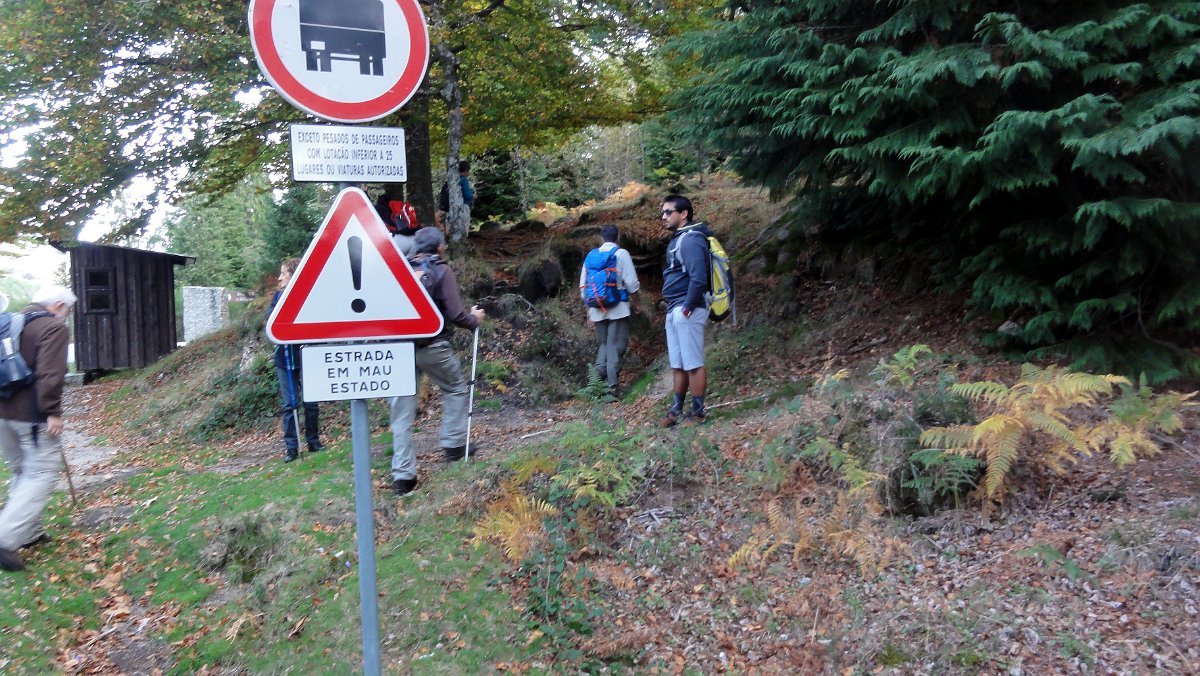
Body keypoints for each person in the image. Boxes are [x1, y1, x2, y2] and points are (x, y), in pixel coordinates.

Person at [389, 227, 486, 496]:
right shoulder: (441, 270)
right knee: (455, 387)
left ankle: (403, 476)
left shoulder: (400, 270)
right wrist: (474, 319)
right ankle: (454, 445)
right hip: (433, 346)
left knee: (402, 413)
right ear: (439, 247)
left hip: (399, 350)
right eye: (444, 244)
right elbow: (455, 313)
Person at [0, 285, 76, 572]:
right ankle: (5, 539)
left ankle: (29, 533)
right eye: (68, 309)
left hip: (2, 413)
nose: (67, 315)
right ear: (57, 305)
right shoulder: (52, 328)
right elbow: (51, 374)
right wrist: (51, 412)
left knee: (23, 471)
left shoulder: (9, 323)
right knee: (41, 473)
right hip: (31, 416)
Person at [659, 195, 713, 426]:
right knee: (678, 363)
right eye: (662, 212)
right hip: (675, 307)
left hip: (687, 307)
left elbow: (698, 277)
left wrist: (688, 307)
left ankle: (698, 413)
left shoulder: (691, 240)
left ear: (684, 214)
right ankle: (676, 411)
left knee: (692, 362)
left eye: (668, 212)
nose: (663, 217)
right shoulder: (679, 239)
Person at [268, 258, 324, 463]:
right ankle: (291, 447)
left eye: (284, 273)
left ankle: (313, 441)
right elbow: (270, 323)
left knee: (311, 402)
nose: (279, 277)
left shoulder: (310, 296)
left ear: (294, 275)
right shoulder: (278, 297)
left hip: (306, 356)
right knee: (290, 403)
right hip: (284, 358)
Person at [578, 224, 640, 398]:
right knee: (616, 346)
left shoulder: (591, 256)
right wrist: (637, 303)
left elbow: (584, 287)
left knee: (604, 344)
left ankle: (596, 380)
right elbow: (631, 284)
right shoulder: (622, 254)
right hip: (618, 308)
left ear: (601, 238)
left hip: (597, 309)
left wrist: (589, 312)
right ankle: (611, 388)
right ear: (618, 237)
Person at [436, 160, 474, 229]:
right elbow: (468, 196)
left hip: (448, 210)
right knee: (462, 229)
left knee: (449, 229)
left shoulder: (450, 181)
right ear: (466, 171)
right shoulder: (463, 180)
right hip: (461, 208)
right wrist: (472, 195)